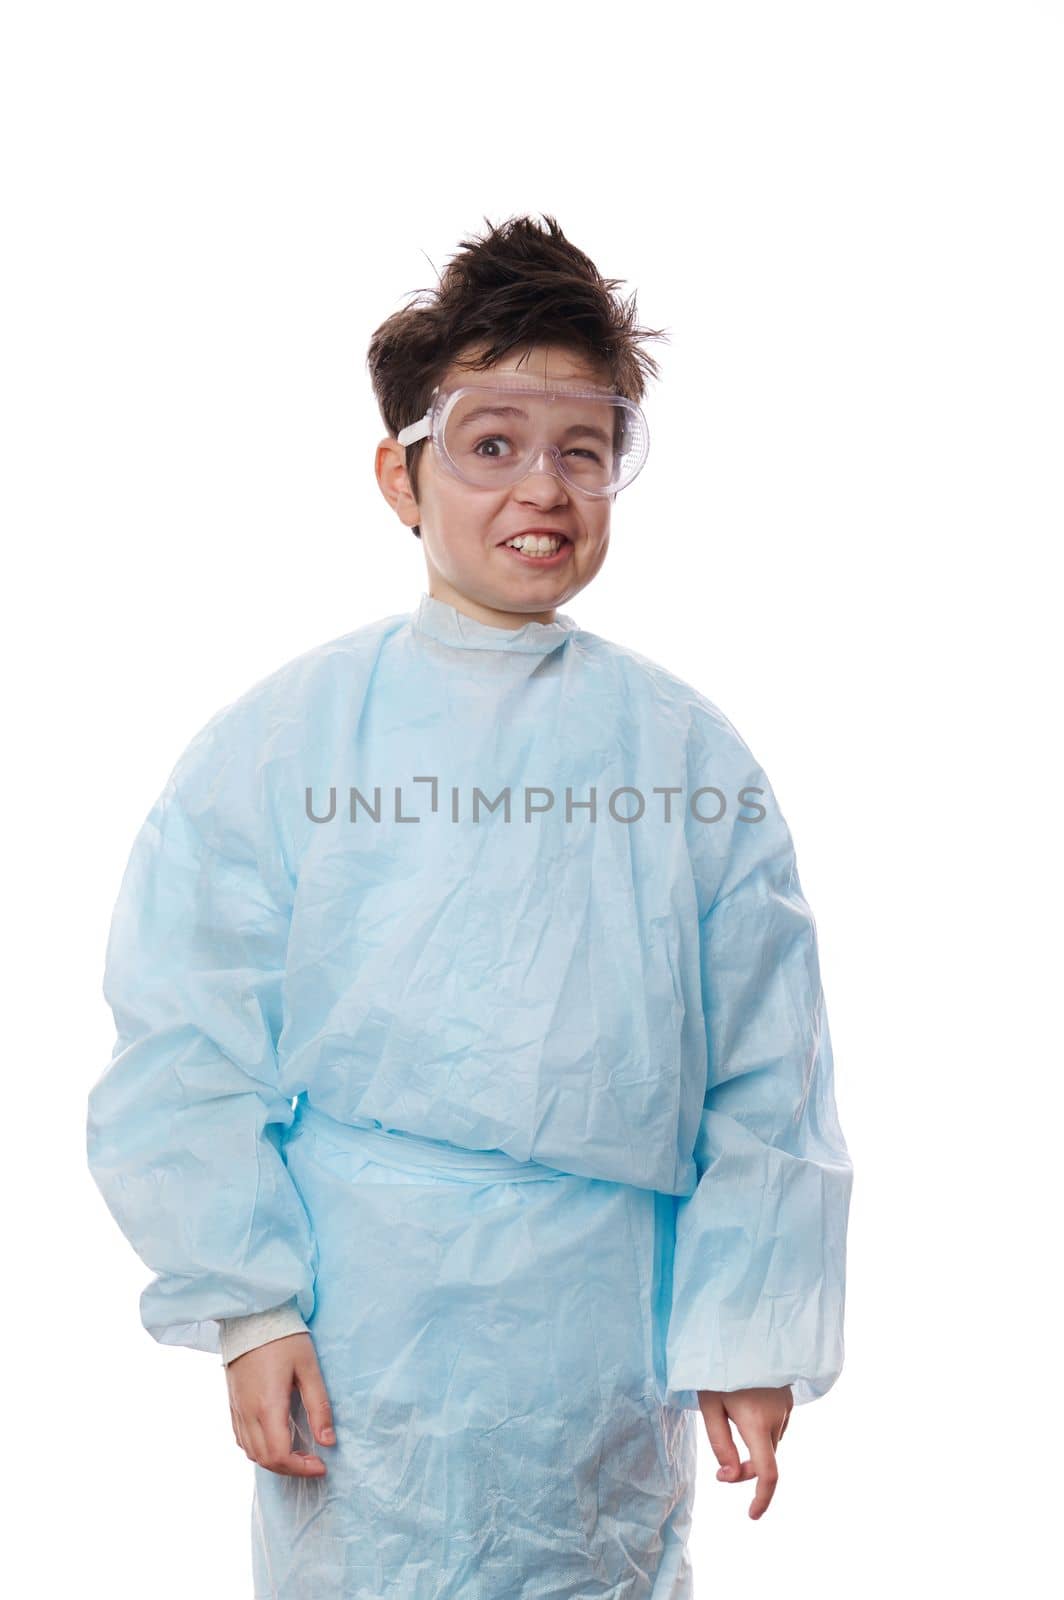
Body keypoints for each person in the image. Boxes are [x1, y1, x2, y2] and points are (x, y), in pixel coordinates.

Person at [86, 212, 853, 1599]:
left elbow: (766, 1063)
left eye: (583, 450)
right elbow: (190, 1037)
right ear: (402, 475)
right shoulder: (292, 742)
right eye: (492, 446)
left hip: (600, 1342)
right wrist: (250, 1306)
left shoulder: (683, 759)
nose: (539, 490)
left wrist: (745, 1326)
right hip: (365, 1336)